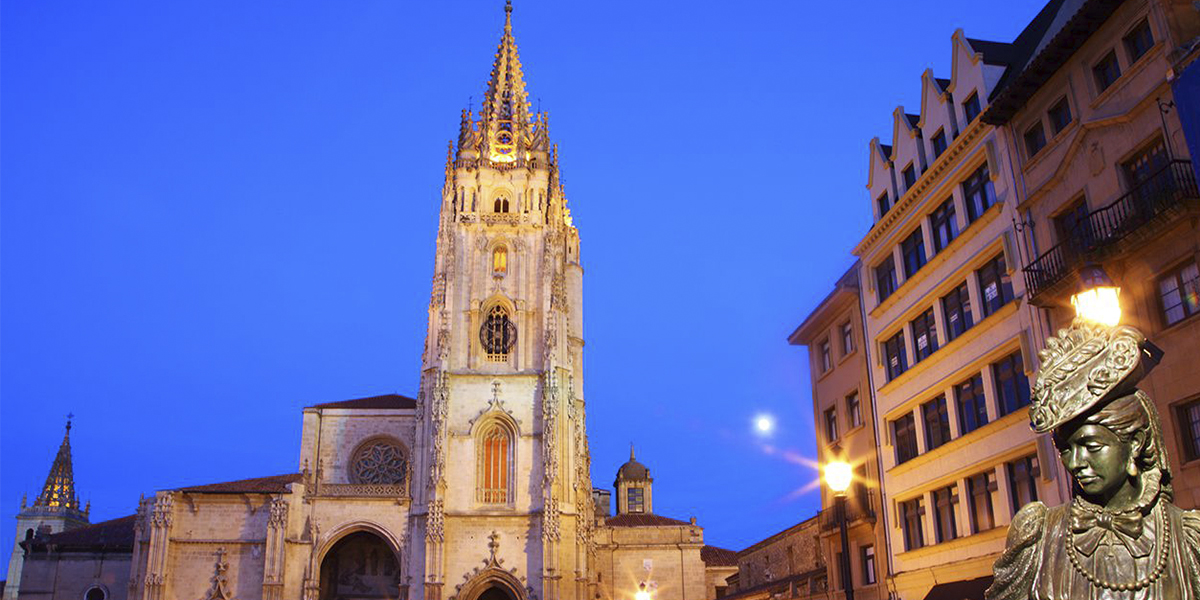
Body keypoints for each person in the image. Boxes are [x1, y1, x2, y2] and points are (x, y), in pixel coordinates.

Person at [987, 321, 1200, 599]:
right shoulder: (1036, 540)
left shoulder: (1188, 540)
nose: (1075, 463)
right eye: (1065, 449)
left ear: (1135, 443)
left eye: (1091, 445)